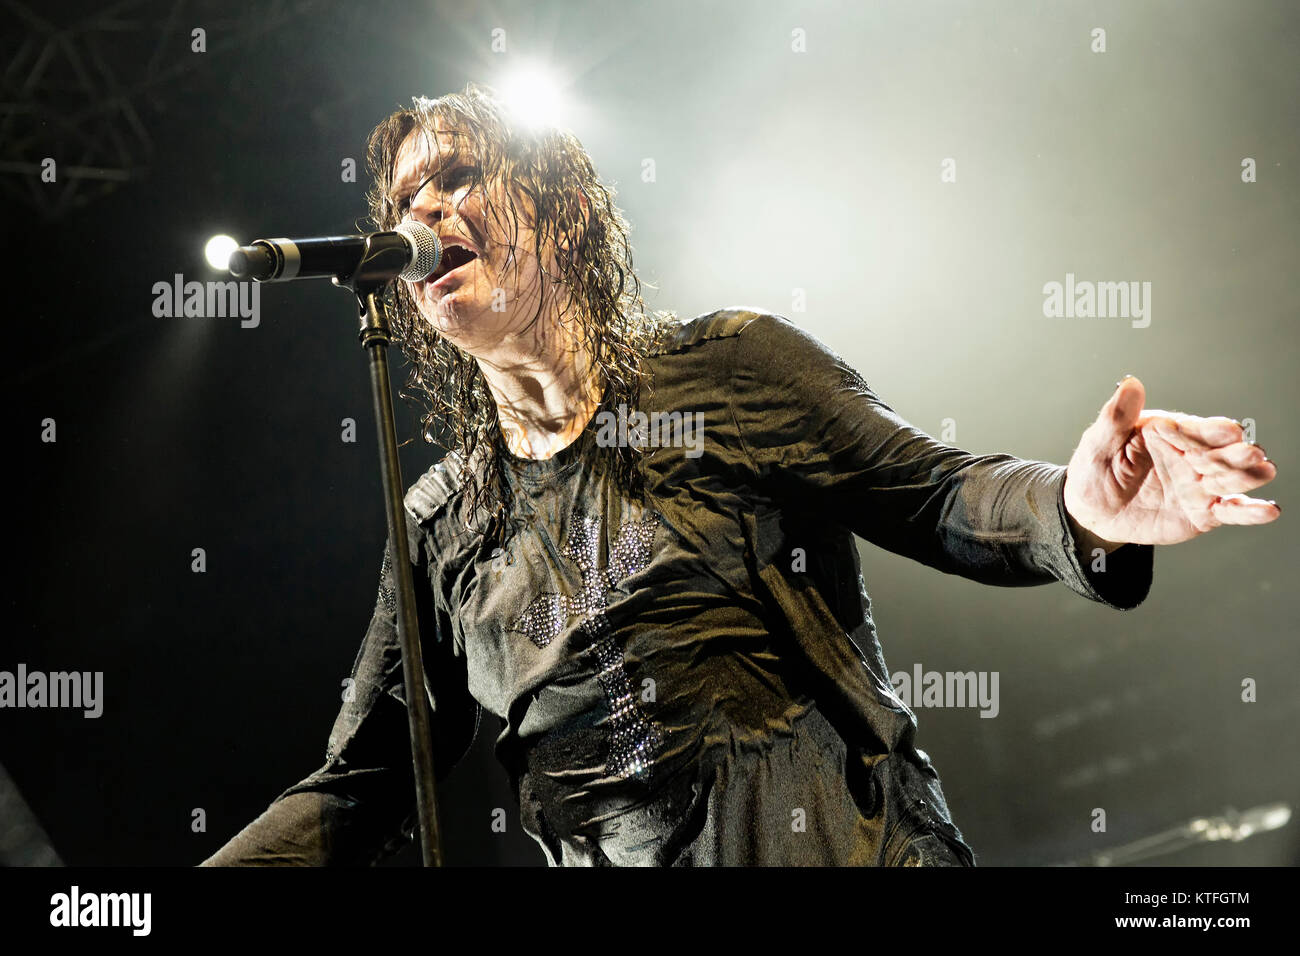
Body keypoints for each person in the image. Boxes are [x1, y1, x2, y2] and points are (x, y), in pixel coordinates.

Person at [201, 83, 1281, 867]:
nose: (422, 213)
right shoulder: (441, 530)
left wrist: (1079, 507)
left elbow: (939, 493)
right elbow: (359, 782)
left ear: (560, 208)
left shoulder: (727, 370)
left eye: (458, 177)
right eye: (403, 195)